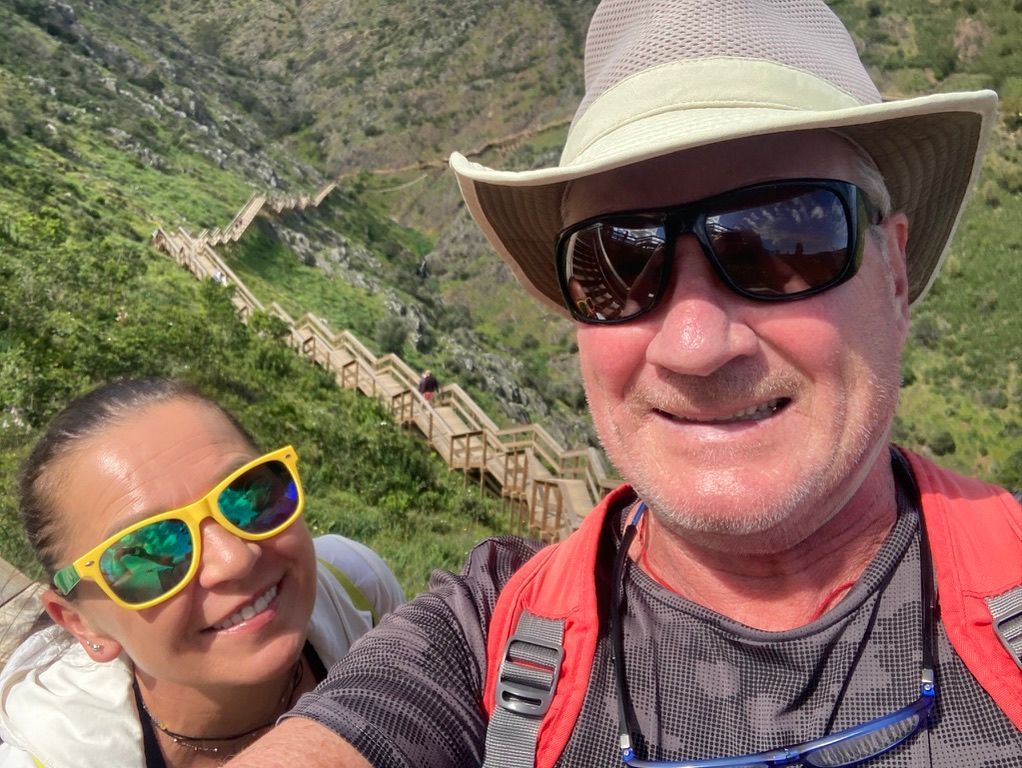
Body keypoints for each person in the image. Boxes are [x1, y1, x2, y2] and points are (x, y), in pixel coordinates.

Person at [231, 1, 1021, 766]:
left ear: (892, 270)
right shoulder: (486, 643)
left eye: (782, 239)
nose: (694, 344)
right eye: (618, 261)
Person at [0, 378, 404, 767]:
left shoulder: (359, 591)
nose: (234, 559)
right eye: (147, 553)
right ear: (80, 623)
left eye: (249, 495)